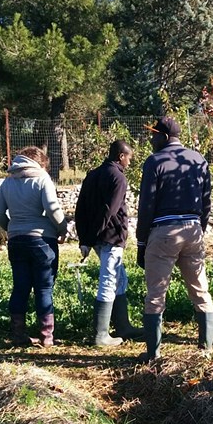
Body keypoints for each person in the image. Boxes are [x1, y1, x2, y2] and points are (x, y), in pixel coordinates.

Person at [136, 116, 213, 361]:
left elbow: (146, 205)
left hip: (164, 231)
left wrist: (141, 242)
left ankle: (153, 354)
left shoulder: (155, 162)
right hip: (193, 229)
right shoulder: (198, 160)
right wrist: (199, 228)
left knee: (156, 292)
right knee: (200, 288)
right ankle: (206, 349)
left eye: (154, 134)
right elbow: (206, 201)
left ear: (164, 136)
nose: (151, 139)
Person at [0, 146, 67, 348]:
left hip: (17, 240)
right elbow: (52, 207)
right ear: (41, 162)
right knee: (43, 288)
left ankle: (18, 334)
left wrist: (11, 227)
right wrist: (62, 228)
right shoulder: (42, 178)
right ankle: (46, 337)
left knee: (20, 287)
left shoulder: (8, 180)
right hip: (42, 240)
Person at [75, 139, 143, 347]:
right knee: (109, 280)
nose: (130, 162)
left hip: (96, 238)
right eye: (129, 158)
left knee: (120, 278)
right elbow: (110, 210)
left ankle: (123, 326)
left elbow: (81, 208)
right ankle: (101, 335)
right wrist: (96, 233)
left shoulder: (93, 175)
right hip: (111, 236)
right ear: (121, 156)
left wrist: (85, 238)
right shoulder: (118, 178)